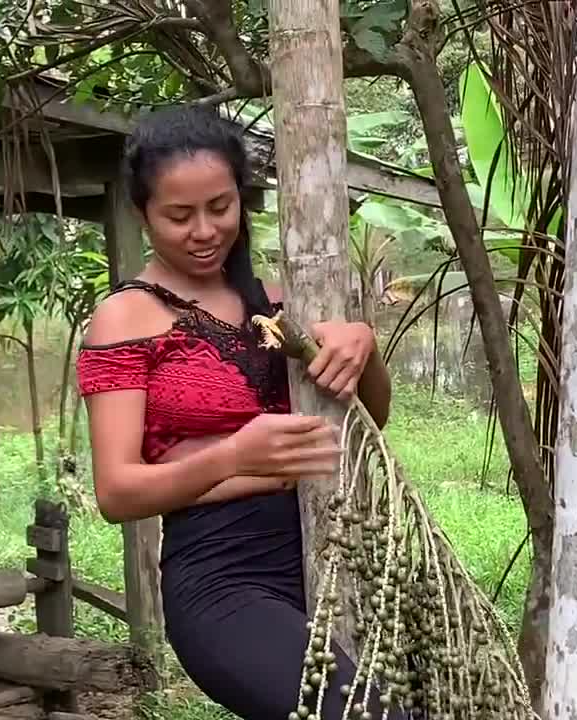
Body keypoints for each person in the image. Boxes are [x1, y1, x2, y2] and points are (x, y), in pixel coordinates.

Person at [75, 104, 398, 720]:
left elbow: (362, 427)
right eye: (178, 215)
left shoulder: (283, 300)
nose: (203, 231)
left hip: (331, 558)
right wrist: (233, 457)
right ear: (143, 213)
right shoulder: (125, 317)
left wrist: (364, 347)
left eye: (220, 207)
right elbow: (117, 492)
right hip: (222, 580)